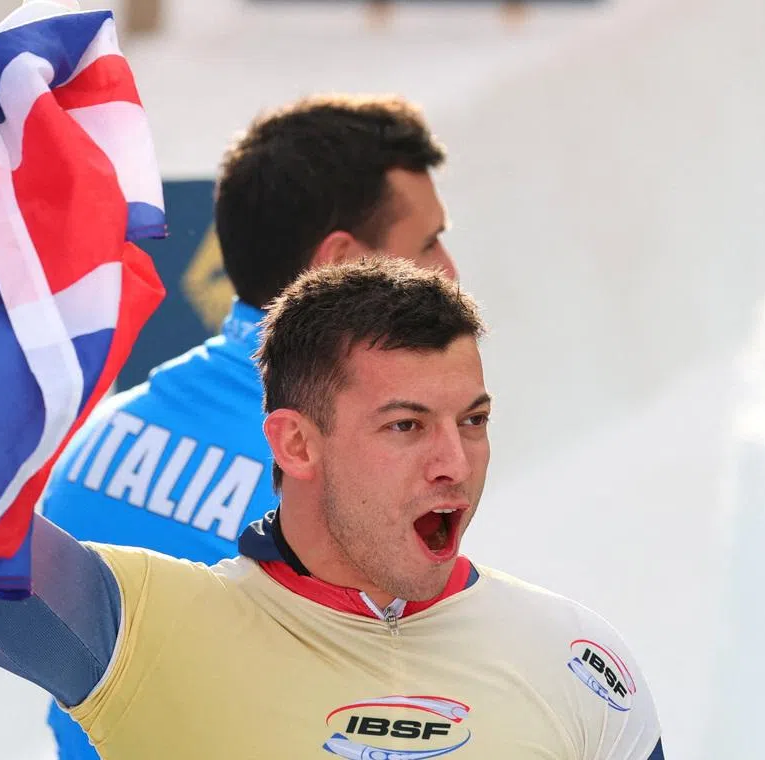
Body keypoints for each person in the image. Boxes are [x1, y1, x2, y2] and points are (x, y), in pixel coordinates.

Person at [0, 258, 665, 759]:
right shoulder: (144, 625)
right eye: (406, 426)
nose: (455, 464)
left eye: (472, 421)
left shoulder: (579, 661)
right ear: (295, 444)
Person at [38, 93, 457, 758]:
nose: (449, 274)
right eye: (428, 244)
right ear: (342, 263)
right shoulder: (354, 481)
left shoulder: (97, 440)